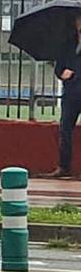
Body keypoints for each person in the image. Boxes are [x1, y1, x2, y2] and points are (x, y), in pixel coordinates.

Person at [47, 16, 81, 178]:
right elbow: (59, 67)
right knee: (65, 129)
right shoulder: (69, 45)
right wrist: (62, 74)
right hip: (71, 94)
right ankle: (63, 166)